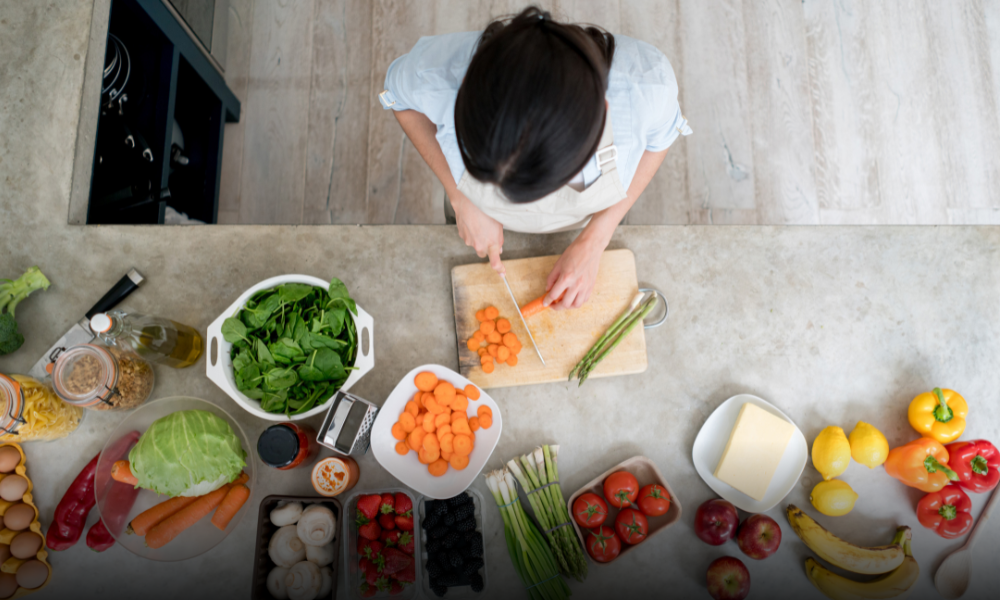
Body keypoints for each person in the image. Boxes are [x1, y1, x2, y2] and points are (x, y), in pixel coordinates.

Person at [378, 6, 691, 310]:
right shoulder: (436, 72)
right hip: (473, 218)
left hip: (589, 221)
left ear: (602, 113)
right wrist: (461, 197)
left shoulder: (648, 87)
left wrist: (596, 240)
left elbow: (659, 141)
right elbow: (400, 99)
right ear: (463, 90)